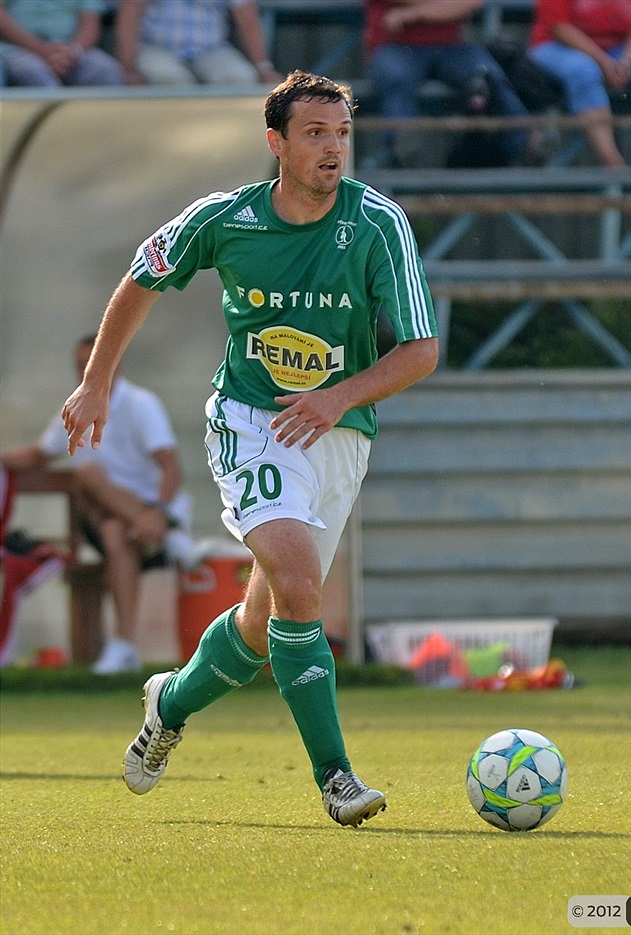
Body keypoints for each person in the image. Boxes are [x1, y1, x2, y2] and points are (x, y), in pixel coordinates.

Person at [61, 70, 439, 826]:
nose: (334, 149)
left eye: (342, 133)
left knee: (264, 627)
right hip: (251, 421)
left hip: (337, 431)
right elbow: (141, 277)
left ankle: (168, 702)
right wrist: (98, 381)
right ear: (276, 143)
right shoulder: (224, 218)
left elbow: (421, 351)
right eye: (315, 134)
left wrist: (337, 397)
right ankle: (337, 778)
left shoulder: (377, 224)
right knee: (301, 583)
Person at [1, 335, 200, 674]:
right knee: (92, 480)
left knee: (112, 529)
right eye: (80, 366)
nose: (84, 373)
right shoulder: (75, 406)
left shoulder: (141, 404)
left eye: (91, 365)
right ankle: (169, 537)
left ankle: (123, 646)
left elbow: (171, 468)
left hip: (147, 519)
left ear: (112, 363)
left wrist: (157, 514)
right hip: (133, 523)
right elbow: (38, 455)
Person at [363, 0, 531, 169]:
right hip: (395, 45)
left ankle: (527, 141)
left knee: (488, 75)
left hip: (451, 46)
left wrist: (412, 14)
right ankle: (403, 147)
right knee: (395, 78)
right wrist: (442, 6)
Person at [528, 0, 631, 167]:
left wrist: (627, 61)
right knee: (583, 71)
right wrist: (604, 62)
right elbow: (559, 27)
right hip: (557, 45)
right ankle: (612, 163)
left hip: (620, 46)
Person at [115, 0, 281, 87]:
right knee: (170, 80)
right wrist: (128, 69)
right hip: (157, 47)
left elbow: (247, 16)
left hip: (212, 49)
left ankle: (224, 145)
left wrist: (263, 68)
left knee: (239, 78)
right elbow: (130, 11)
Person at [0, 0, 123, 87]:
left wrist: (72, 52)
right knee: (33, 71)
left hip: (71, 49)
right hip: (19, 48)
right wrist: (41, 49)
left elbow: (91, 21)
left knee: (105, 69)